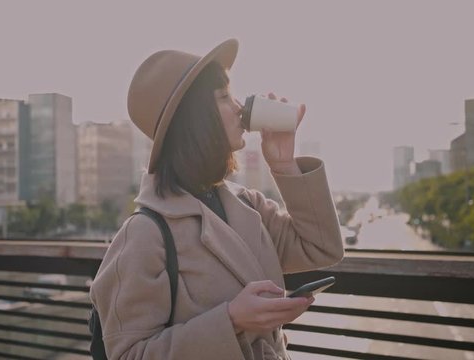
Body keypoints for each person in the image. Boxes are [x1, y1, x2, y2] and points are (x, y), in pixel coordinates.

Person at [90, 38, 344, 360]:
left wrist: (283, 164)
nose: (240, 107)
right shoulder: (143, 234)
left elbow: (323, 246)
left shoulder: (247, 204)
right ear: (193, 118)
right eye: (224, 97)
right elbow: (130, 355)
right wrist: (231, 320)